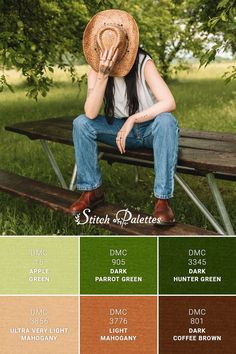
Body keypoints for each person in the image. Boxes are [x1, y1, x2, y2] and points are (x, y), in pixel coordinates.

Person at [69, 9, 179, 225]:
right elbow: (90, 113)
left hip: (149, 128)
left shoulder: (143, 62)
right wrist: (102, 76)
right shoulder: (95, 68)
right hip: (118, 131)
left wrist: (133, 119)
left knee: (167, 121)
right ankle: (92, 191)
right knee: (80, 123)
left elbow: (169, 102)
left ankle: (162, 201)